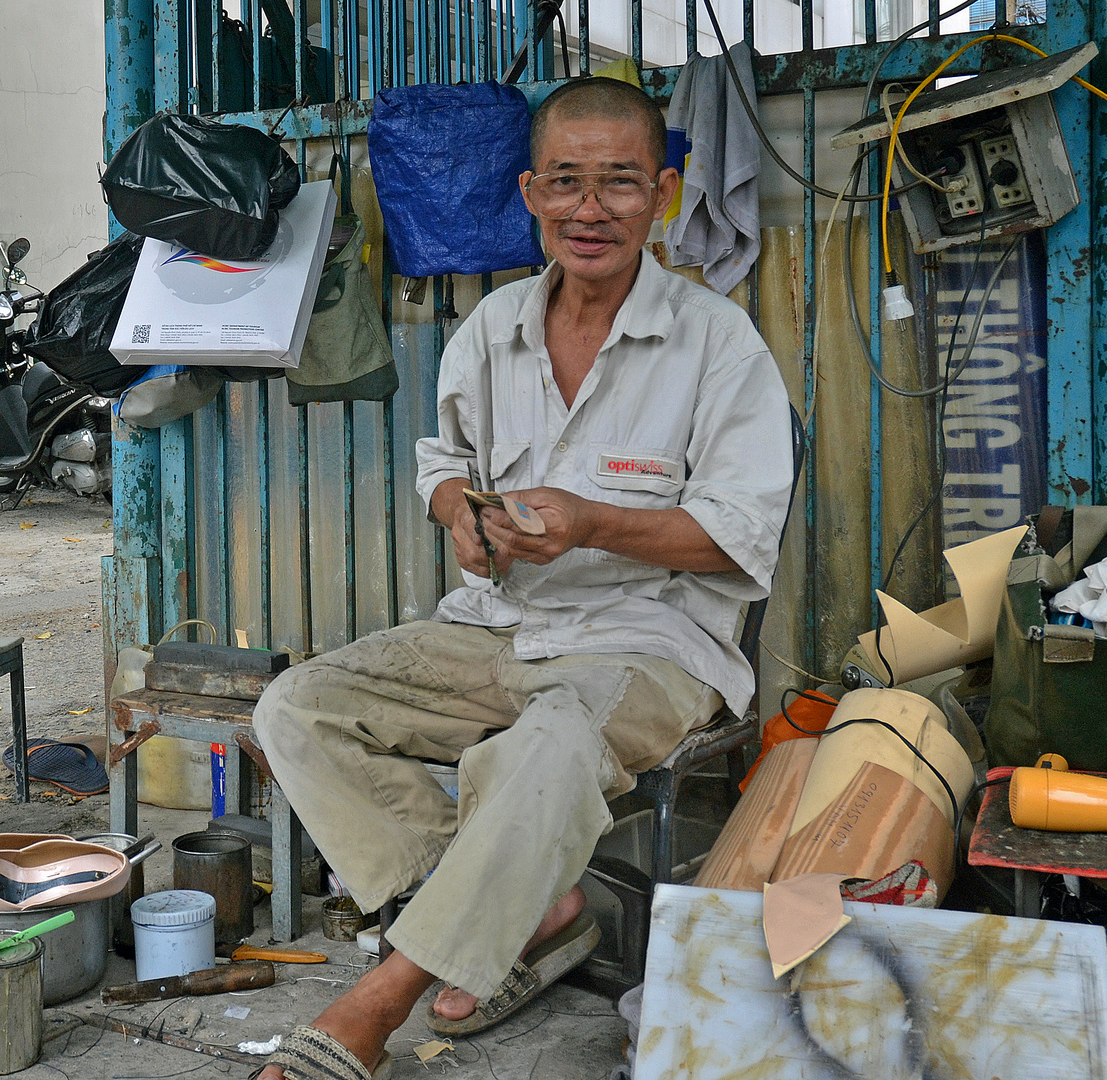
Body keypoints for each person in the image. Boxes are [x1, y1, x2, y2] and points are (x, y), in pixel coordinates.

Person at [251, 76, 795, 1080]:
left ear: (665, 192)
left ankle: (372, 1012)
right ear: (530, 192)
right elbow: (441, 461)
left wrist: (594, 523)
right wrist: (457, 510)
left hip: (651, 644)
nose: (593, 211)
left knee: (548, 746)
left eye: (621, 184)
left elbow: (738, 540)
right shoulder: (492, 331)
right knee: (295, 707)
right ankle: (517, 908)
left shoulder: (720, 346)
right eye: (568, 183)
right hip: (494, 624)